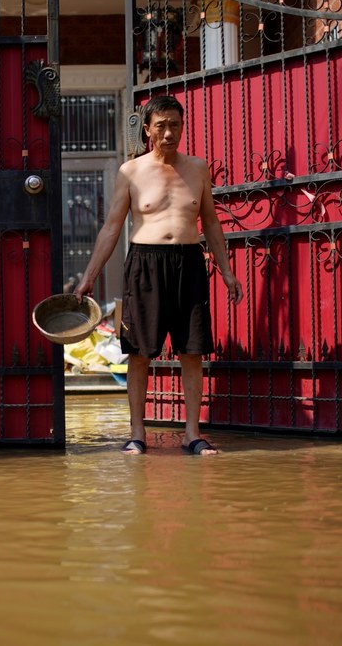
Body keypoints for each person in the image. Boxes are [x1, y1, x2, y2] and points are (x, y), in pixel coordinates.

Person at [73, 95, 243, 456]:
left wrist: (226, 270)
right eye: (161, 125)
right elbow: (111, 228)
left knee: (192, 351)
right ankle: (137, 433)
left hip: (189, 262)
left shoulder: (197, 168)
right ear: (148, 130)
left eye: (175, 125)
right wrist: (90, 276)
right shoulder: (131, 172)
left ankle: (192, 434)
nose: (169, 133)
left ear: (183, 127)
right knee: (138, 353)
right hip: (145, 265)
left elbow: (210, 222)